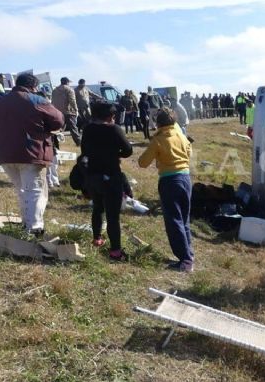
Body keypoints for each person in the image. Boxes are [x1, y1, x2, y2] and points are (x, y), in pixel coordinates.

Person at [0, 73, 64, 236]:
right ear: (34, 87)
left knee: (21, 190)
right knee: (35, 190)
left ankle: (26, 223)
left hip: (5, 154)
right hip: (31, 152)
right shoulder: (37, 100)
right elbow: (58, 120)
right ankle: (34, 229)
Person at [138, 108, 195, 272]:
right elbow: (189, 152)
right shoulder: (181, 135)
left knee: (174, 221)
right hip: (185, 178)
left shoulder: (158, 140)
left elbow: (142, 162)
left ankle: (185, 260)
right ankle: (188, 253)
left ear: (158, 124)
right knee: (184, 219)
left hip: (170, 181)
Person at [80, 102, 133, 261]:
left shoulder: (88, 129)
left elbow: (84, 150)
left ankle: (97, 238)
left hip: (93, 176)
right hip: (111, 176)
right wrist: (116, 153)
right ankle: (115, 251)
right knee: (112, 216)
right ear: (110, 116)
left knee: (97, 208)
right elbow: (128, 150)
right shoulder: (114, 129)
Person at [51, 77, 81, 146]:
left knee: (59, 128)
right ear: (67, 82)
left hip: (58, 112)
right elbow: (72, 101)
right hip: (68, 112)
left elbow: (52, 101)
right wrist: (76, 110)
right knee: (73, 128)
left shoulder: (55, 90)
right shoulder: (69, 89)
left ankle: (55, 142)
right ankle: (79, 142)